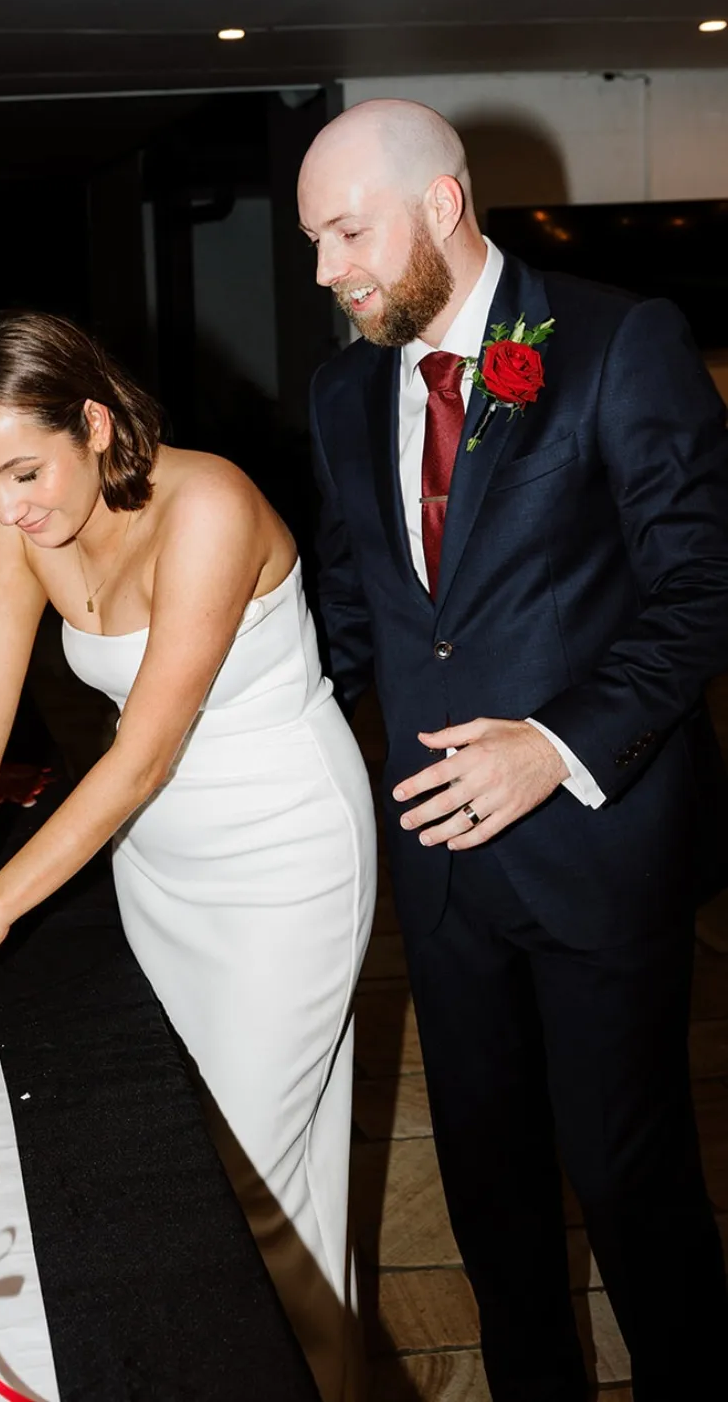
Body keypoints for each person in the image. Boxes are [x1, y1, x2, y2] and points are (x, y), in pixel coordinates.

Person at [301, 98, 728, 1402]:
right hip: (439, 867)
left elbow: (700, 583)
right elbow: (348, 618)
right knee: (485, 1175)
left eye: (345, 229)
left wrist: (553, 743)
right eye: (314, 239)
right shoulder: (337, 392)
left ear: (439, 203)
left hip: (597, 844)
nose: (324, 268)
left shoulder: (612, 342)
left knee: (622, 1168)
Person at [0, 311, 377, 1401]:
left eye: (24, 471)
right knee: (217, 1163)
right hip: (159, 862)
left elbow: (142, 754)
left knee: (252, 1184)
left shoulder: (211, 505)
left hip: (284, 854)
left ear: (95, 423)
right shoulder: (14, 523)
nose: (7, 510)